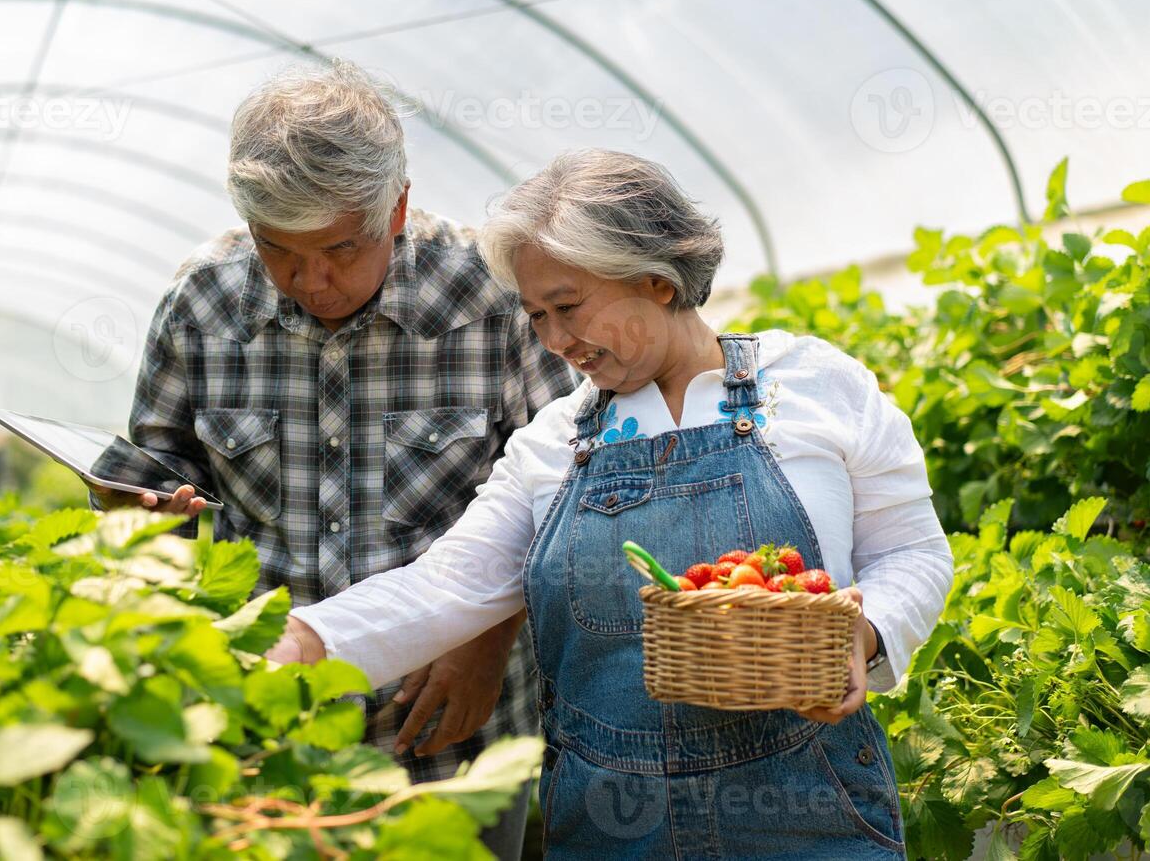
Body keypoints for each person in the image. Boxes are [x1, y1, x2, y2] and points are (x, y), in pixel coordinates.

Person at [266, 149, 954, 859]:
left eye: (568, 307)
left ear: (656, 279)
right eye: (537, 316)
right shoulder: (553, 443)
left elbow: (913, 552)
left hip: (810, 812)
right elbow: (447, 586)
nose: (557, 342)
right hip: (614, 826)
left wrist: (863, 632)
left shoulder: (817, 387)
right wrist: (303, 642)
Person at [90, 60, 576, 860]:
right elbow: (156, 469)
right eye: (277, 250)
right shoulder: (201, 305)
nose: (311, 280)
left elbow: (564, 492)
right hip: (268, 734)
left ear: (399, 208)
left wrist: (484, 640)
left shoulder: (491, 298)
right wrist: (146, 520)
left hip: (448, 726)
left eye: (341, 249)